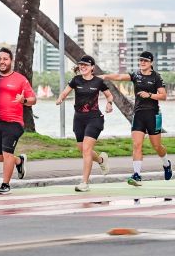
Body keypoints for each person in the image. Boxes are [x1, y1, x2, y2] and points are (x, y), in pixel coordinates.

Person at [99, 51, 171, 186]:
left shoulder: (156, 77)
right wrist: (103, 76)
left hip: (153, 115)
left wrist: (149, 95)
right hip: (138, 115)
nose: (142, 63)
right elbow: (119, 76)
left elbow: (163, 96)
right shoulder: (136, 75)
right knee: (137, 145)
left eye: (145, 61)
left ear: (151, 63)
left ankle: (166, 164)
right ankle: (137, 175)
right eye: (141, 60)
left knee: (157, 146)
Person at [0, 47, 36, 195]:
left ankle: (5, 184)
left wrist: (23, 100)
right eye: (0, 59)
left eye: (5, 59)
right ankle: (19, 162)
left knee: (7, 153)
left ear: (11, 61)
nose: (2, 62)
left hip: (14, 123)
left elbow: (33, 100)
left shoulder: (20, 79)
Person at [55, 55, 113, 192]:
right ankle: (101, 160)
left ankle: (84, 182)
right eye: (81, 65)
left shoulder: (98, 82)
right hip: (79, 119)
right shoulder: (76, 80)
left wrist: (109, 104)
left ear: (92, 67)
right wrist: (60, 98)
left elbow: (109, 95)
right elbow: (64, 92)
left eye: (86, 65)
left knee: (86, 149)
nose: (82, 67)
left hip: (94, 118)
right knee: (82, 148)